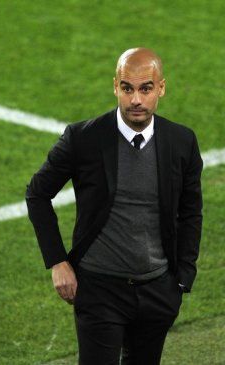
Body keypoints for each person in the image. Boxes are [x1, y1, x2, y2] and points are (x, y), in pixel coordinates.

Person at [25, 48, 203, 364]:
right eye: (127, 88)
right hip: (99, 289)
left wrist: (182, 278)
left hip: (157, 291)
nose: (136, 99)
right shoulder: (83, 139)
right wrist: (57, 261)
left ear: (161, 88)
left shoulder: (181, 142)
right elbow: (37, 194)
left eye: (145, 88)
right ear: (115, 86)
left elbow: (190, 212)